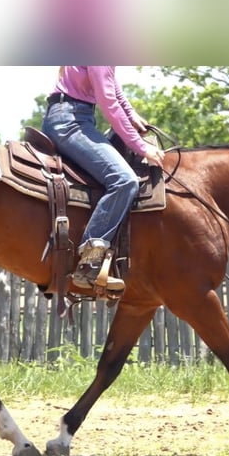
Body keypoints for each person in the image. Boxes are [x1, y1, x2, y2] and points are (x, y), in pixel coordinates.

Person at [41, 66, 165, 293]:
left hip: (70, 115)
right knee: (124, 180)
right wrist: (140, 146)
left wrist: (131, 114)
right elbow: (108, 101)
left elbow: (113, 88)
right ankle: (89, 262)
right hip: (71, 121)